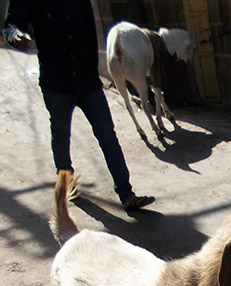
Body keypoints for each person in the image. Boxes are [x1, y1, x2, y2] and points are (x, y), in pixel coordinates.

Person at [4, 0, 155, 211]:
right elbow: (11, 25)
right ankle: (68, 184)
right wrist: (15, 36)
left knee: (108, 136)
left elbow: (89, 30)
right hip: (57, 83)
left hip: (88, 80)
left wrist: (94, 70)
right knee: (61, 134)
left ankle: (127, 193)